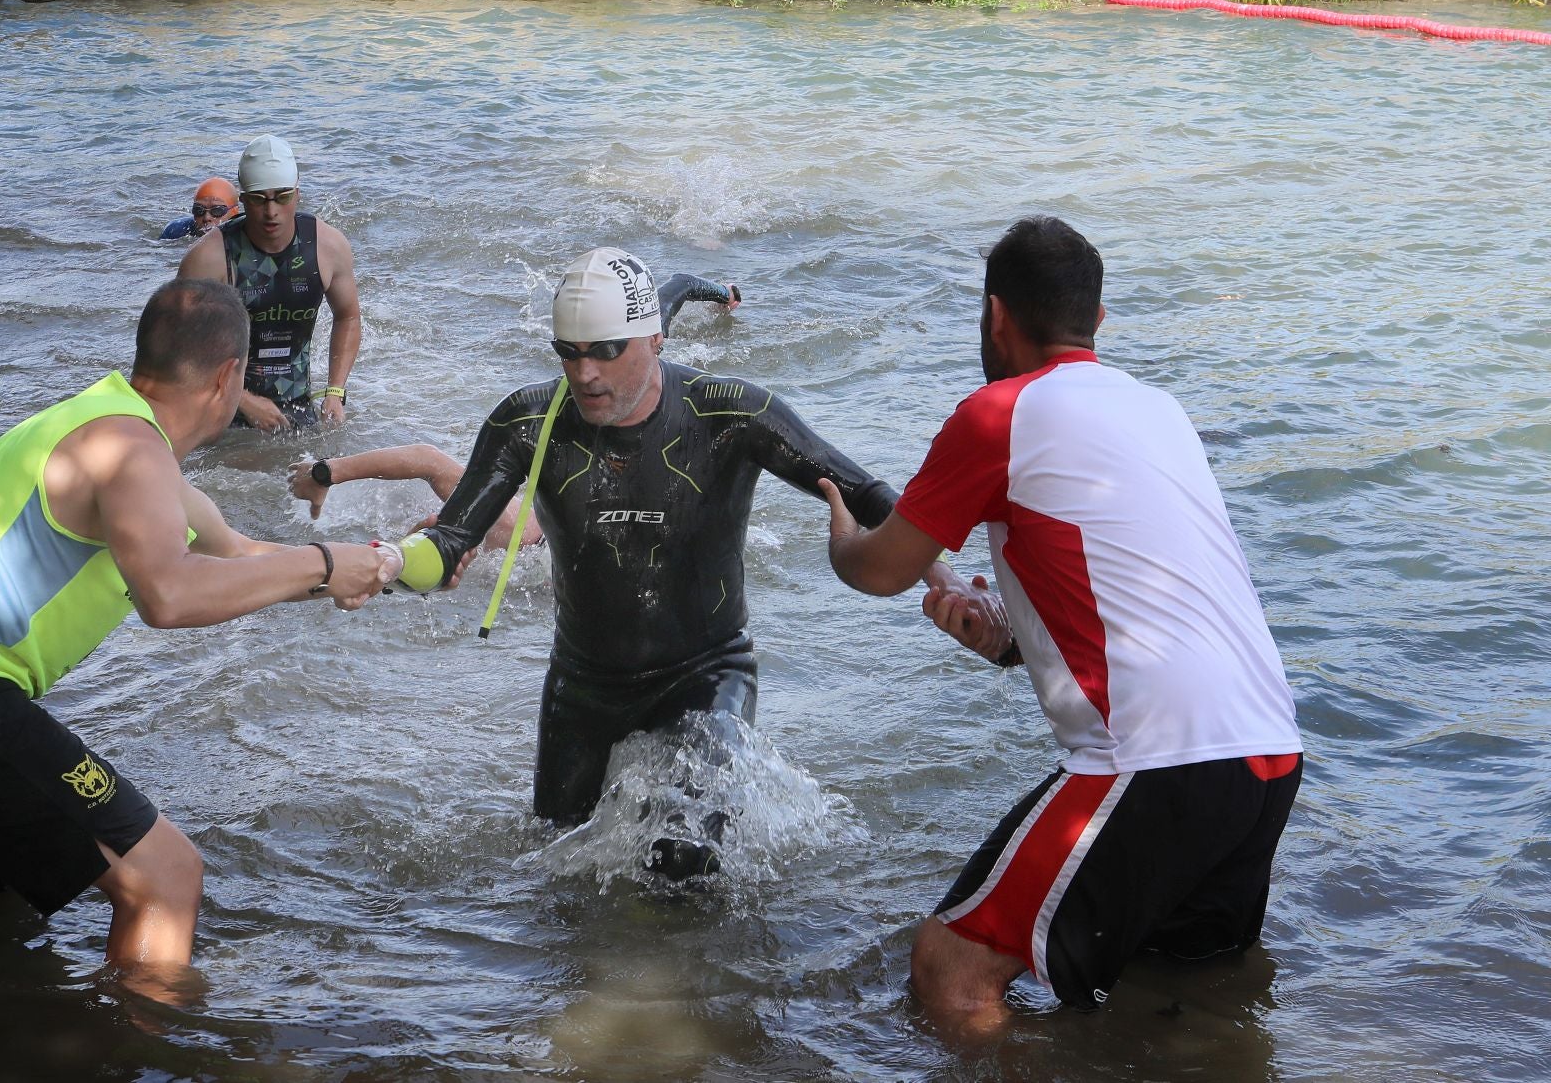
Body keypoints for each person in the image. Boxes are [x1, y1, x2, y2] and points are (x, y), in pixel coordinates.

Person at [0, 279, 398, 998]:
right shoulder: (132, 453)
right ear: (228, 378)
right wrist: (321, 563)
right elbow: (169, 595)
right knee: (167, 875)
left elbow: (241, 557)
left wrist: (380, 569)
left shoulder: (115, 428)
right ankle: (136, 1045)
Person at [819, 216, 1303, 1041]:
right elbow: (1141, 604)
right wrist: (1006, 641)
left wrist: (838, 527)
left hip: (1156, 757)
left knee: (950, 971)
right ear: (1098, 320)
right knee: (1178, 995)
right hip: (1268, 751)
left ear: (996, 317)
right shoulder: (1159, 411)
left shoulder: (998, 414)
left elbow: (879, 569)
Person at [403, 248, 895, 879]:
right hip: (584, 684)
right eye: (568, 352)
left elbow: (865, 491)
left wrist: (938, 568)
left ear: (655, 338)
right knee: (555, 872)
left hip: (706, 672)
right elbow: (450, 538)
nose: (585, 373)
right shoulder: (527, 420)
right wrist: (392, 564)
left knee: (684, 858)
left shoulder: (727, 411)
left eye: (606, 351)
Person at [290, 270, 743, 548]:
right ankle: (720, 292)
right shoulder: (518, 531)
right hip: (593, 430)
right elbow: (428, 464)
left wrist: (326, 473)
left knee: (672, 296)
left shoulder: (513, 529)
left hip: (623, 393)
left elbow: (428, 462)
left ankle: (723, 292)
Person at [178, 134, 359, 432]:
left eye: (282, 197)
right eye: (259, 199)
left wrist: (335, 392)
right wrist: (243, 400)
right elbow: (177, 347)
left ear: (297, 194)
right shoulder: (208, 259)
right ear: (242, 200)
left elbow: (348, 316)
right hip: (222, 412)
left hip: (298, 405)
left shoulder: (327, 247)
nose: (271, 211)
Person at [158, 177, 240, 242]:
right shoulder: (175, 231)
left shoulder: (243, 235)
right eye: (199, 210)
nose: (206, 218)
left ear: (235, 212)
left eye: (217, 211)